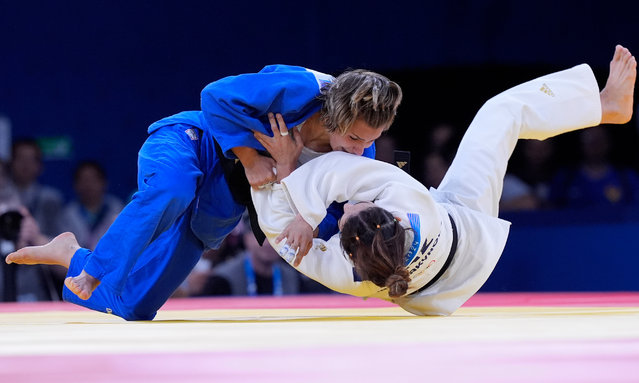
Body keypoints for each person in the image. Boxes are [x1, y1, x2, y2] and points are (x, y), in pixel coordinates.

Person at [251, 45, 635, 316]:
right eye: (358, 206)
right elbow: (333, 172)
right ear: (392, 217)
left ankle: (605, 107)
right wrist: (290, 178)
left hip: (441, 289)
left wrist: (280, 174)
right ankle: (603, 106)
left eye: (347, 210)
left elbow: (281, 232)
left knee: (498, 117)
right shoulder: (405, 203)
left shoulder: (347, 271)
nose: (347, 204)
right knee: (499, 113)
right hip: (462, 225)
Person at [5, 65, 402, 320]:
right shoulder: (300, 88)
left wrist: (307, 220)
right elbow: (214, 95)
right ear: (337, 112)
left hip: (226, 192)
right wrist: (249, 157)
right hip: (193, 142)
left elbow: (334, 209)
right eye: (352, 137)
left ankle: (71, 255)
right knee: (171, 191)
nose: (358, 149)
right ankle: (95, 270)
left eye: (371, 140)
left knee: (135, 307)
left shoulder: (359, 149)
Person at [59, 161, 124, 250]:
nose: (88, 185)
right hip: (78, 261)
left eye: (93, 180)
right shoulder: (68, 213)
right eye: (84, 180)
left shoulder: (117, 208)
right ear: (75, 185)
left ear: (104, 182)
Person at [9, 139, 64, 239]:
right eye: (21, 158)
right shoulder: (3, 196)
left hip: (42, 252)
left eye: (30, 159)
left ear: (39, 165)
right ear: (11, 162)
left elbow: (58, 237)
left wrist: (37, 238)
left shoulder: (51, 198)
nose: (25, 165)